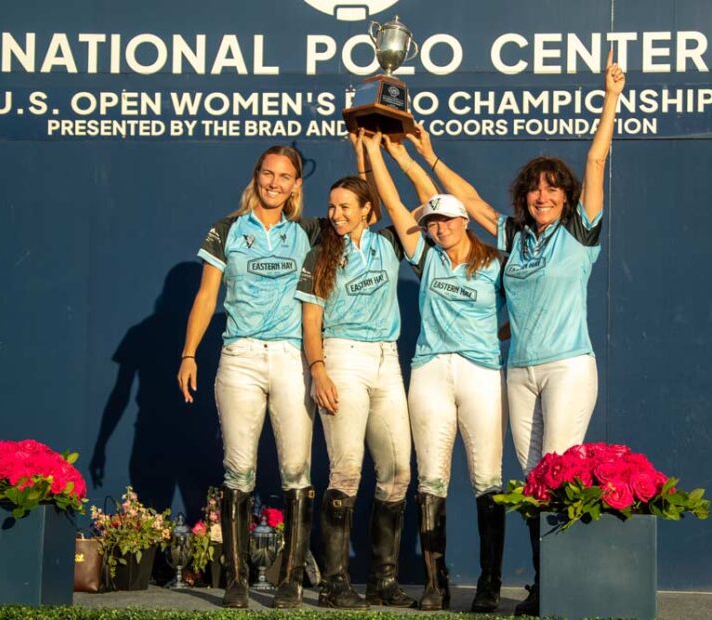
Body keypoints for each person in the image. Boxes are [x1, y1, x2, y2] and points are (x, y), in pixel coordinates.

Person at [407, 50, 626, 615]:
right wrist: (431, 158)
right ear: (525, 196)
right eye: (535, 189)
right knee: (532, 482)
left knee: (558, 468)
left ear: (567, 196)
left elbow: (597, 162)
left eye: (553, 189)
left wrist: (610, 99)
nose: (543, 196)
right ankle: (542, 586)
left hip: (568, 366)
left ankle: (561, 585)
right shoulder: (514, 235)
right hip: (519, 370)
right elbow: (472, 203)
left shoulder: (580, 231)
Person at [362, 130, 507, 612]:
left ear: (464, 221)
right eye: (432, 222)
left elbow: (522, 316)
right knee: (432, 480)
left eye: (446, 219)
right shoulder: (425, 257)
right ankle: (435, 583)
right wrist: (379, 153)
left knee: (488, 477)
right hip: (429, 373)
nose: (438, 227)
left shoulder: (496, 264)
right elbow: (393, 203)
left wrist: (494, 338)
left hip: (482, 373)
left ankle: (488, 584)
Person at [176, 145, 320, 609]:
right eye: (267, 173)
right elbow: (205, 296)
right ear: (256, 176)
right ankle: (236, 580)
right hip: (239, 357)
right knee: (239, 470)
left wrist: (368, 150)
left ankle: (290, 581)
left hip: (291, 358)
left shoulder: (309, 231)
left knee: (297, 470)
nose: (274, 183)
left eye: (284, 176)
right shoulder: (227, 229)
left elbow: (365, 204)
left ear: (297, 185)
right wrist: (189, 353)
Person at [295, 175, 414, 610]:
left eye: (346, 206)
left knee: (398, 472)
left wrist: (376, 150)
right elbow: (310, 323)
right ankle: (334, 584)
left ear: (368, 208)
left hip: (387, 359)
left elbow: (405, 207)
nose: (336, 214)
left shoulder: (389, 244)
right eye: (332, 206)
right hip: (342, 356)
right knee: (346, 472)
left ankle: (383, 580)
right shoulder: (321, 252)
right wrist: (319, 371)